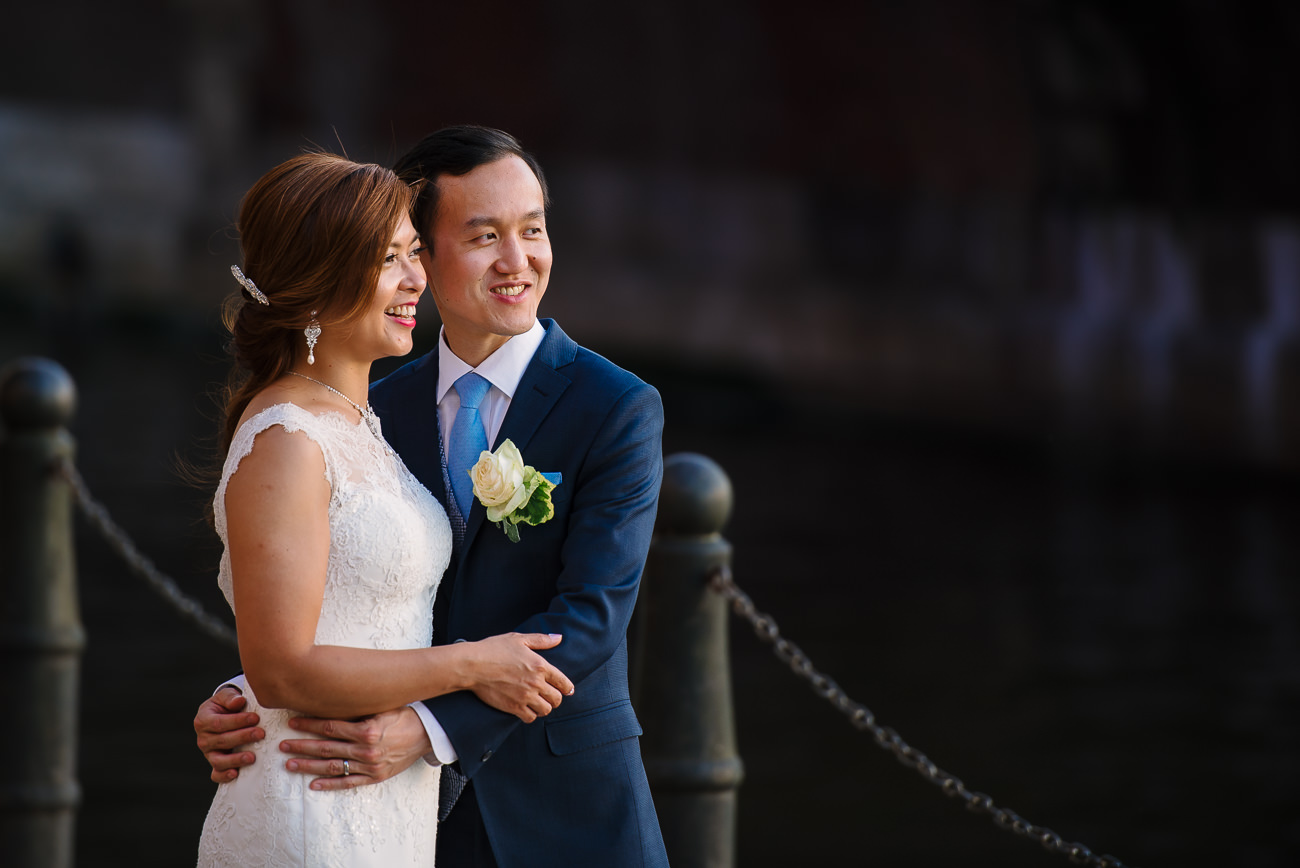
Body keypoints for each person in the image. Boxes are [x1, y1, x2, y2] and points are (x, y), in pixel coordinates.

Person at [195, 126, 670, 867]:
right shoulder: (371, 408)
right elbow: (354, 590)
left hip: (564, 809)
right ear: (426, 247)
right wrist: (252, 697)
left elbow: (592, 618)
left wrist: (428, 726)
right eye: (484, 237)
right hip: (392, 809)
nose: (519, 262)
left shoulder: (616, 406)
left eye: (534, 230)